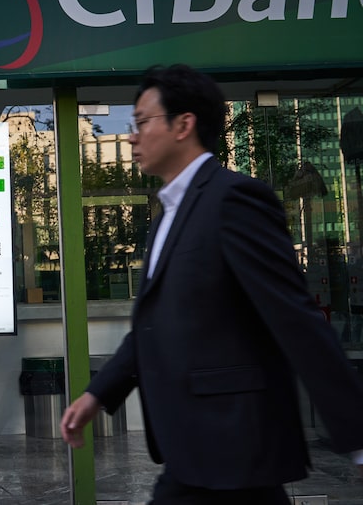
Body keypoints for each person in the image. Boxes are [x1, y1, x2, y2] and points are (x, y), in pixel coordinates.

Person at [60, 64, 363, 504]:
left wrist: (356, 436)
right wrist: (97, 393)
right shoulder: (168, 211)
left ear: (184, 124)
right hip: (196, 450)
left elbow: (295, 317)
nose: (131, 137)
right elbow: (154, 323)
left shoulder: (234, 199)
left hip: (234, 443)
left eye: (142, 122)